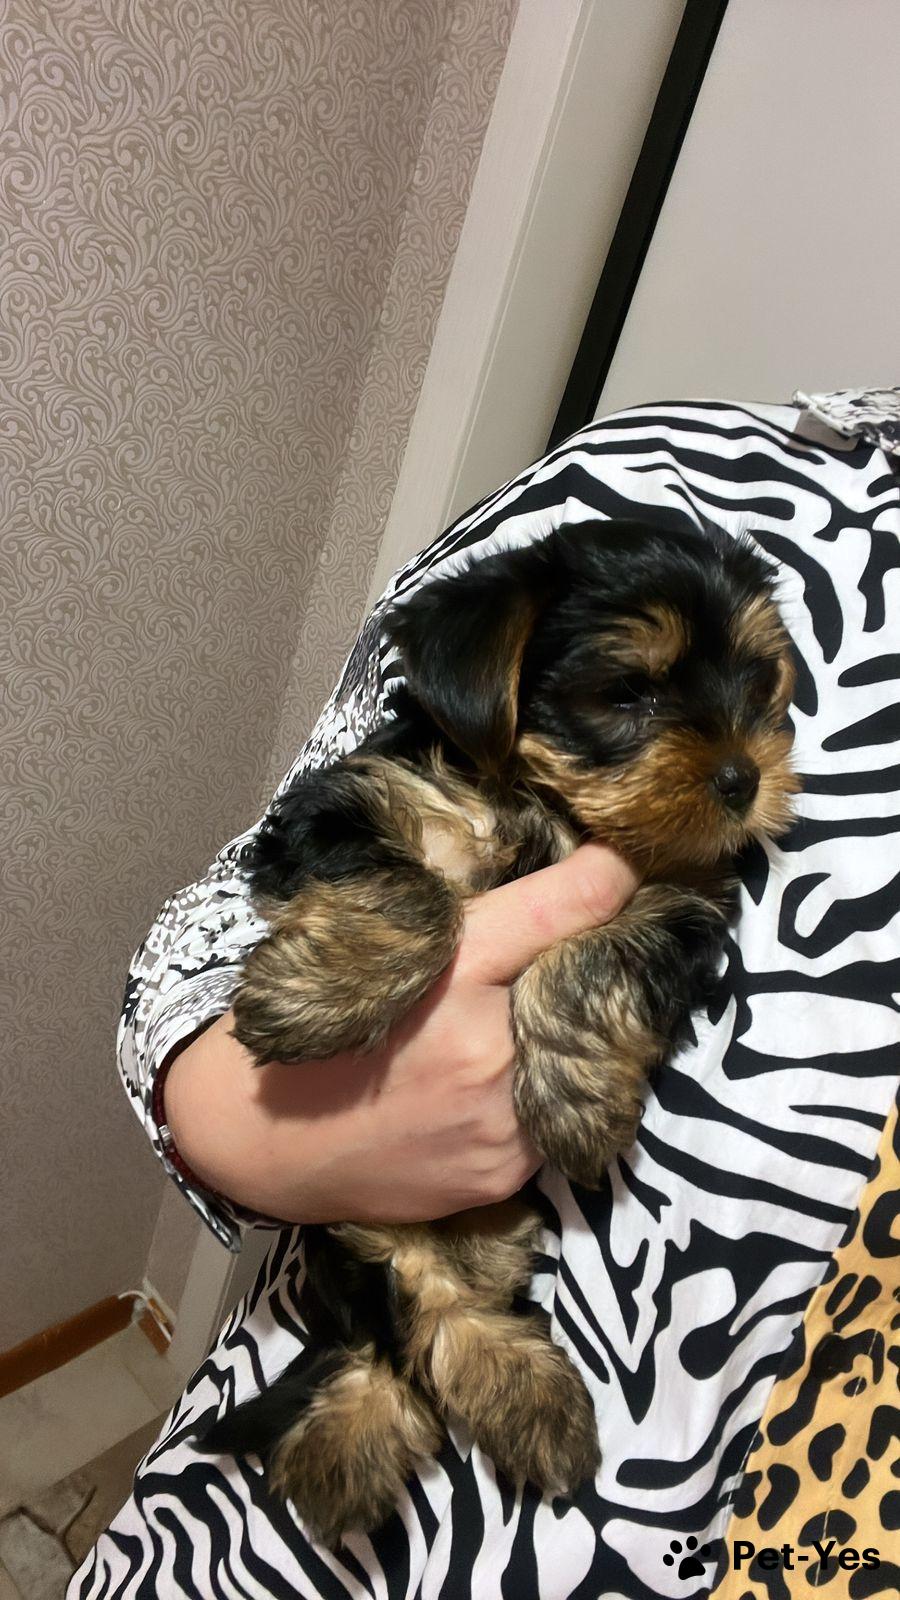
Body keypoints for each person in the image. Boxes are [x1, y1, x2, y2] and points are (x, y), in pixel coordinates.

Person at [70, 393, 900, 1600]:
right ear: (495, 687)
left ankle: (438, 1348)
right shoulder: (686, 471)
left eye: (760, 698)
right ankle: (401, 1358)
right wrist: (250, 1106)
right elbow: (256, 891)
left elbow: (672, 933)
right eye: (632, 696)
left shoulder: (674, 869)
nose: (736, 756)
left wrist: (583, 1005)